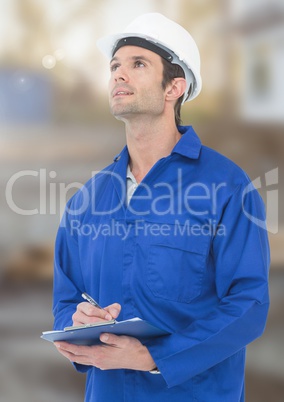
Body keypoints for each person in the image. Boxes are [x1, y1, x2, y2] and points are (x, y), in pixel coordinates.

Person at [53, 13, 270, 402]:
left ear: (175, 87)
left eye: (138, 64)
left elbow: (249, 303)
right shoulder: (87, 199)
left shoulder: (226, 186)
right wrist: (75, 321)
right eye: (115, 66)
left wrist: (156, 356)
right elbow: (67, 296)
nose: (119, 74)